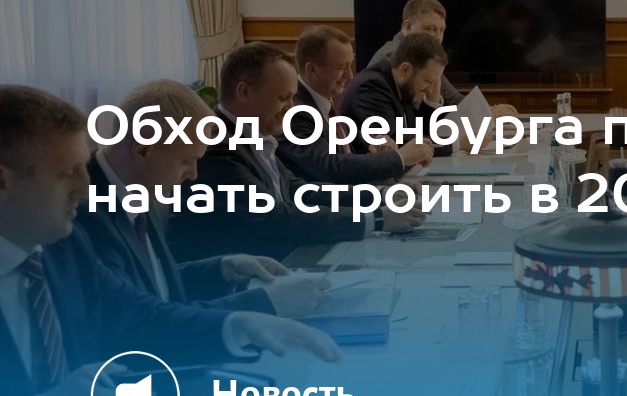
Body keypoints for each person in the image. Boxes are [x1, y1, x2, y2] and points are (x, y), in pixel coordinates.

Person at [0, 86, 340, 396]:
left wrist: (236, 324)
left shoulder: (61, 246)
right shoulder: (78, 229)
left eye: (82, 167)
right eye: (66, 173)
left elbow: (138, 314)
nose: (86, 187)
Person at [79, 79, 327, 317]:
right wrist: (263, 303)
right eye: (186, 161)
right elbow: (134, 319)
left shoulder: (137, 184)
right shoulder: (83, 215)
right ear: (143, 148)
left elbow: (153, 283)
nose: (193, 174)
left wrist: (223, 268)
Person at [168, 42, 424, 262]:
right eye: (283, 98)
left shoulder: (254, 135)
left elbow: (299, 190)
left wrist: (379, 195)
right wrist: (377, 219)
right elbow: (274, 218)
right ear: (244, 92)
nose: (291, 107)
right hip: (237, 284)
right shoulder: (214, 146)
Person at [277, 25, 433, 184]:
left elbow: (352, 148)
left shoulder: (325, 103)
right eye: (341, 67)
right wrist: (399, 157)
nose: (350, 75)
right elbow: (331, 167)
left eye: (350, 65)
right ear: (311, 70)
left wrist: (376, 145)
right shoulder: (295, 112)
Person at [368, 0, 517, 118]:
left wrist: (489, 110)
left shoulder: (426, 56)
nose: (438, 37)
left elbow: (453, 99)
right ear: (408, 26)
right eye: (431, 29)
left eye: (441, 30)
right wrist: (486, 114)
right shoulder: (392, 57)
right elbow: (416, 115)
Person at [341, 33, 459, 156]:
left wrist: (431, 102)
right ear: (405, 69)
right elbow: (395, 142)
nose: (430, 88)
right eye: (428, 81)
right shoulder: (372, 87)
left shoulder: (401, 86)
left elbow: (416, 132)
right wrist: (456, 143)